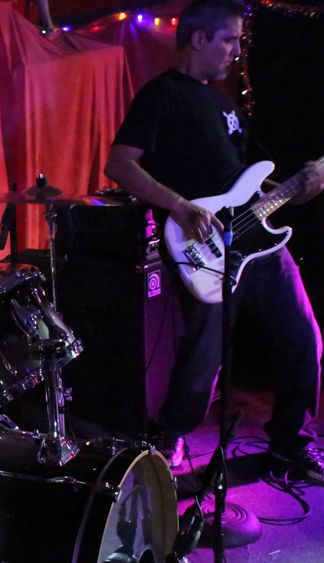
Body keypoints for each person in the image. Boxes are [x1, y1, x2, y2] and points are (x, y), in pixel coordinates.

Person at [104, 0, 323, 481]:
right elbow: (119, 164)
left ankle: (292, 444)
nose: (236, 51)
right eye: (229, 40)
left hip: (261, 242)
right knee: (205, 354)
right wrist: (181, 206)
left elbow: (248, 180)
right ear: (198, 39)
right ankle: (171, 436)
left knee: (304, 338)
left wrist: (295, 189)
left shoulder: (226, 104)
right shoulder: (161, 95)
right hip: (207, 245)